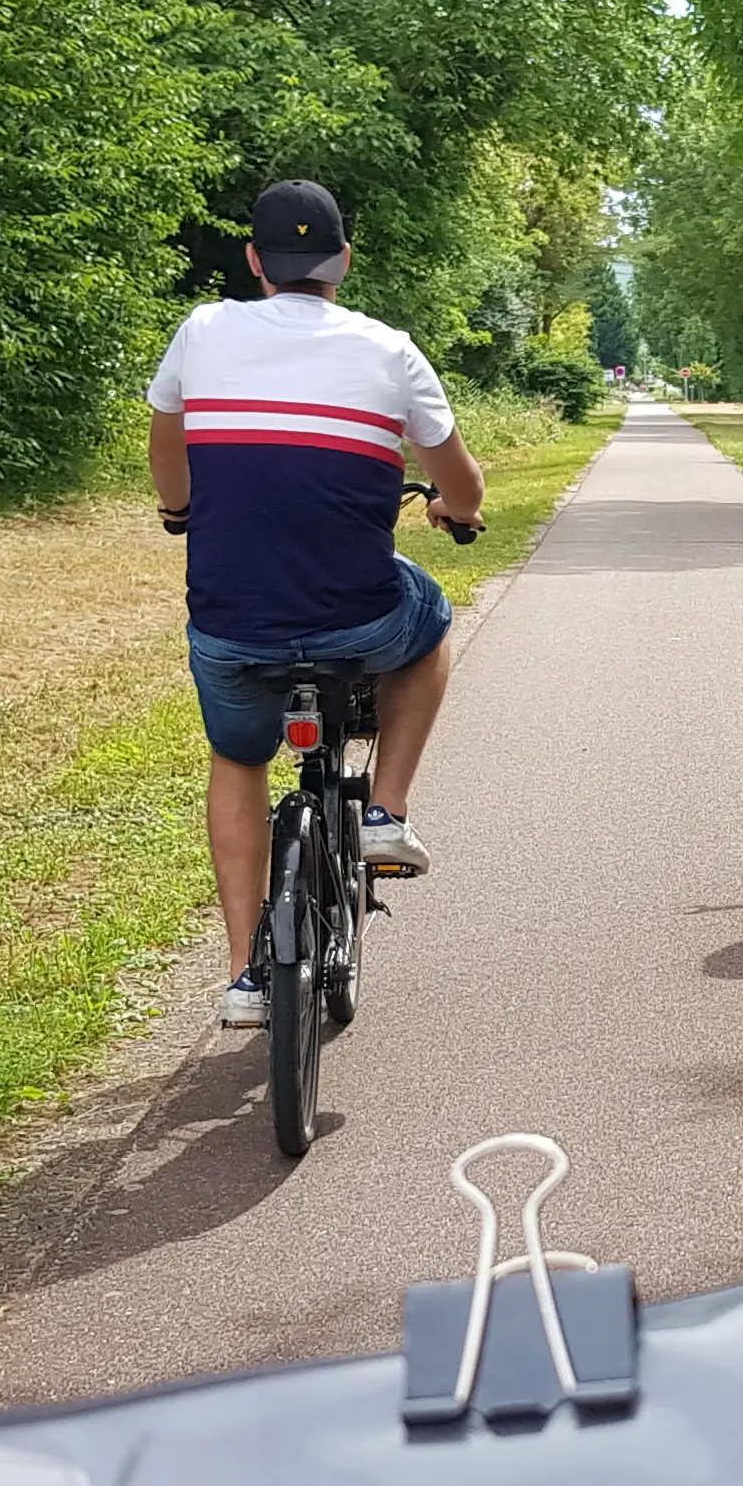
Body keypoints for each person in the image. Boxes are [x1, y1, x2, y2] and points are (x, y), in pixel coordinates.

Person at [148, 178, 487, 1028]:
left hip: (231, 622)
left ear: (255, 261)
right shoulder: (390, 350)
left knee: (239, 762)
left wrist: (180, 512)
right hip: (358, 617)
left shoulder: (203, 329)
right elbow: (463, 484)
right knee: (431, 617)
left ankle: (245, 977)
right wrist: (459, 513)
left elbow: (168, 448)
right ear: (343, 259)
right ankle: (385, 811)